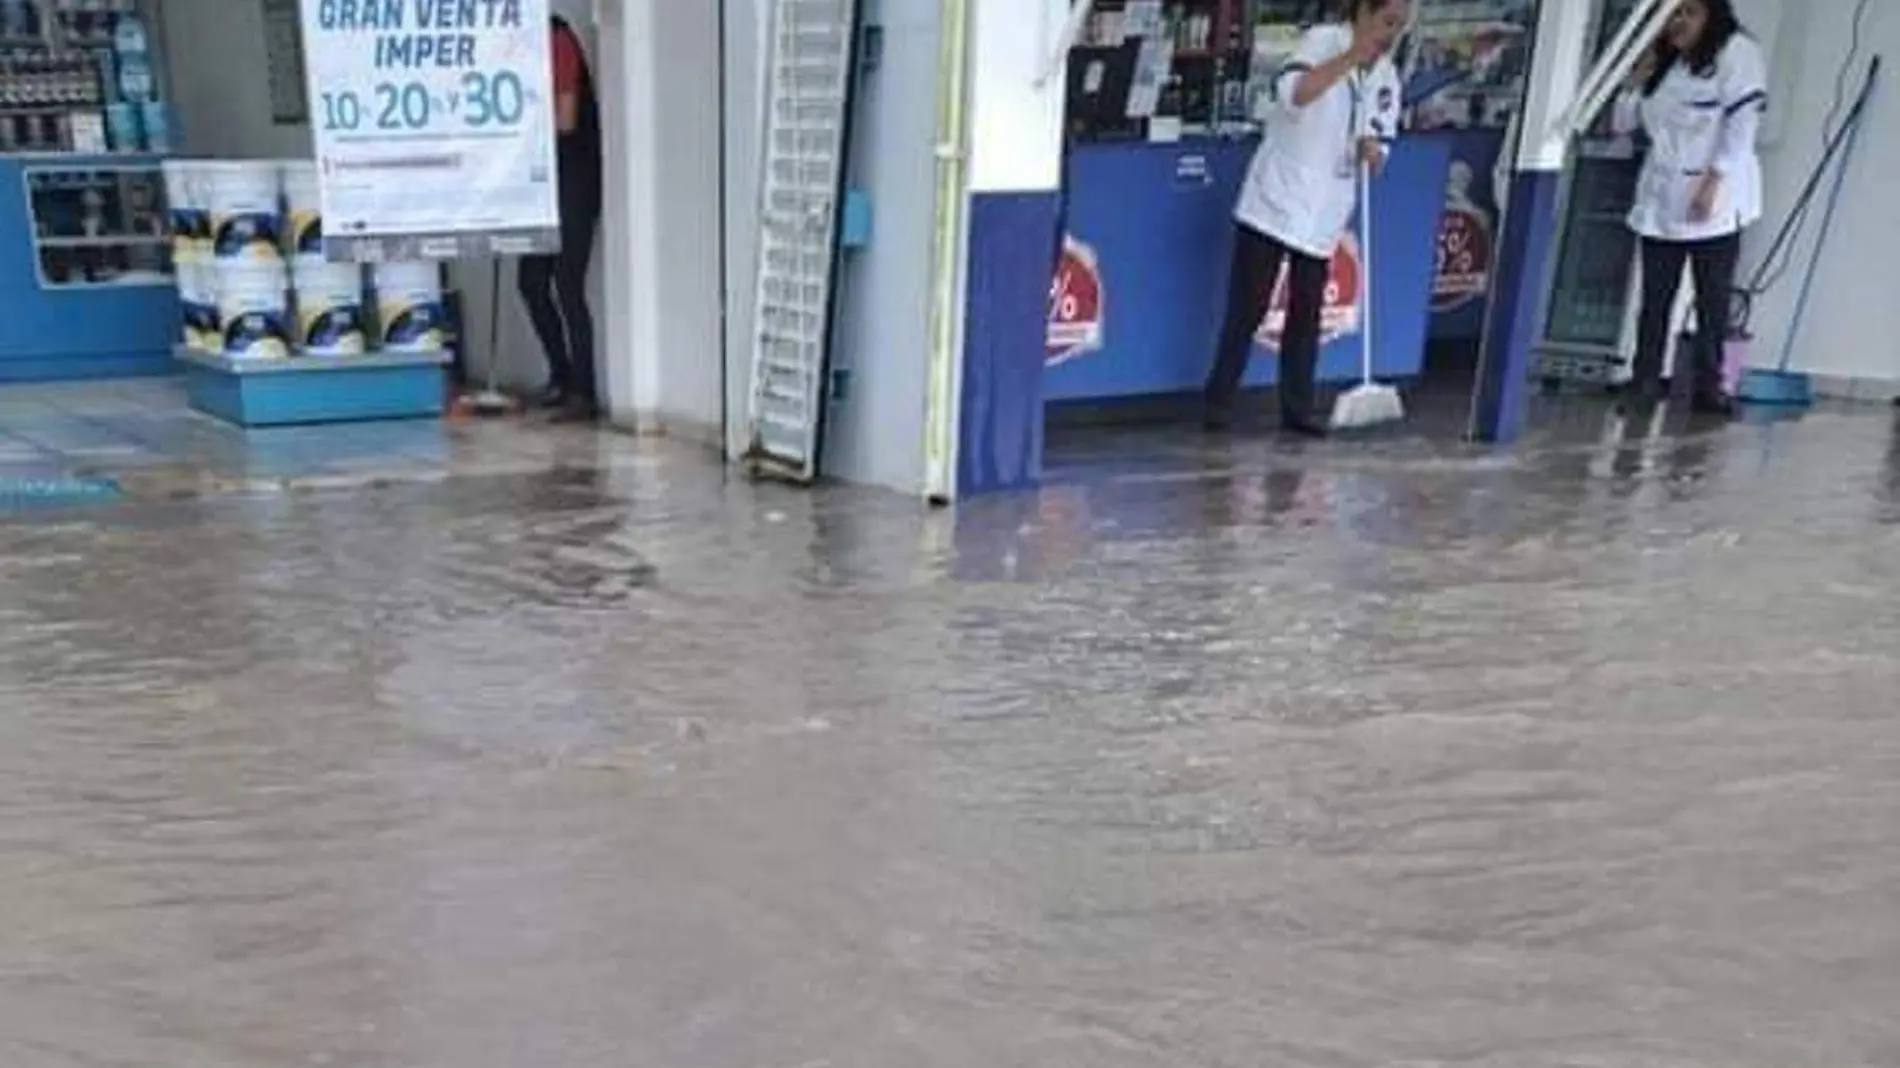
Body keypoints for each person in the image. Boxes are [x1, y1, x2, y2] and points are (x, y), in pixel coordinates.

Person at [1204, 0, 1408, 437]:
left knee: (1307, 312)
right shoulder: (1321, 41)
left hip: (1325, 208)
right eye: (1387, 22)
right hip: (1275, 198)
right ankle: (1218, 403)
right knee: (1249, 306)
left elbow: (1381, 141)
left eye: (1399, 26)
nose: (1392, 34)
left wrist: (1373, 153)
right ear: (1363, 14)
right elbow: (1295, 94)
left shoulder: (1387, 76)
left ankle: (1297, 410)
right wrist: (1351, 57)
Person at [1612, 0, 1766, 416]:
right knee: (1655, 297)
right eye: (1672, 14)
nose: (1679, 22)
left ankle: (1708, 386)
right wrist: (1633, 80)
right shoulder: (1665, 65)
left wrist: (1714, 181)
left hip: (1714, 196)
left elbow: (1741, 126)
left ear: (1711, 15)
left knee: (1711, 297)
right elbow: (1622, 124)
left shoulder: (1736, 55)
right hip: (1662, 197)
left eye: (1689, 12)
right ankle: (1645, 379)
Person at [520, 14, 604, 420]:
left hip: (574, 180)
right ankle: (561, 376)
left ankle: (583, 393)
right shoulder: (523, 48)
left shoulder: (557, 40)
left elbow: (566, 120)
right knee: (531, 282)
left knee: (567, 285)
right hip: (543, 187)